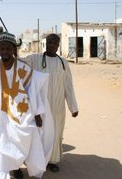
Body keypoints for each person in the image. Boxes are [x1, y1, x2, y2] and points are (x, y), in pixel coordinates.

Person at [0, 32, 54, 179]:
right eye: (2, 49)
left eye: (8, 49)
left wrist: (37, 114)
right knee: (1, 143)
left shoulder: (23, 68)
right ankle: (3, 172)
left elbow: (33, 90)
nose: (5, 52)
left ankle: (17, 167)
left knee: (25, 141)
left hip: (21, 115)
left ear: (13, 49)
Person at [22, 33, 79, 172]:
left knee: (56, 132)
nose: (51, 45)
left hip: (58, 106)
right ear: (45, 44)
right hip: (41, 106)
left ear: (58, 45)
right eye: (49, 42)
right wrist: (13, 48)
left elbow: (68, 85)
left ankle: (52, 161)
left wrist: (73, 107)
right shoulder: (35, 59)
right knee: (40, 132)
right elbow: (19, 62)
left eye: (54, 43)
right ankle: (39, 160)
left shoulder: (63, 63)